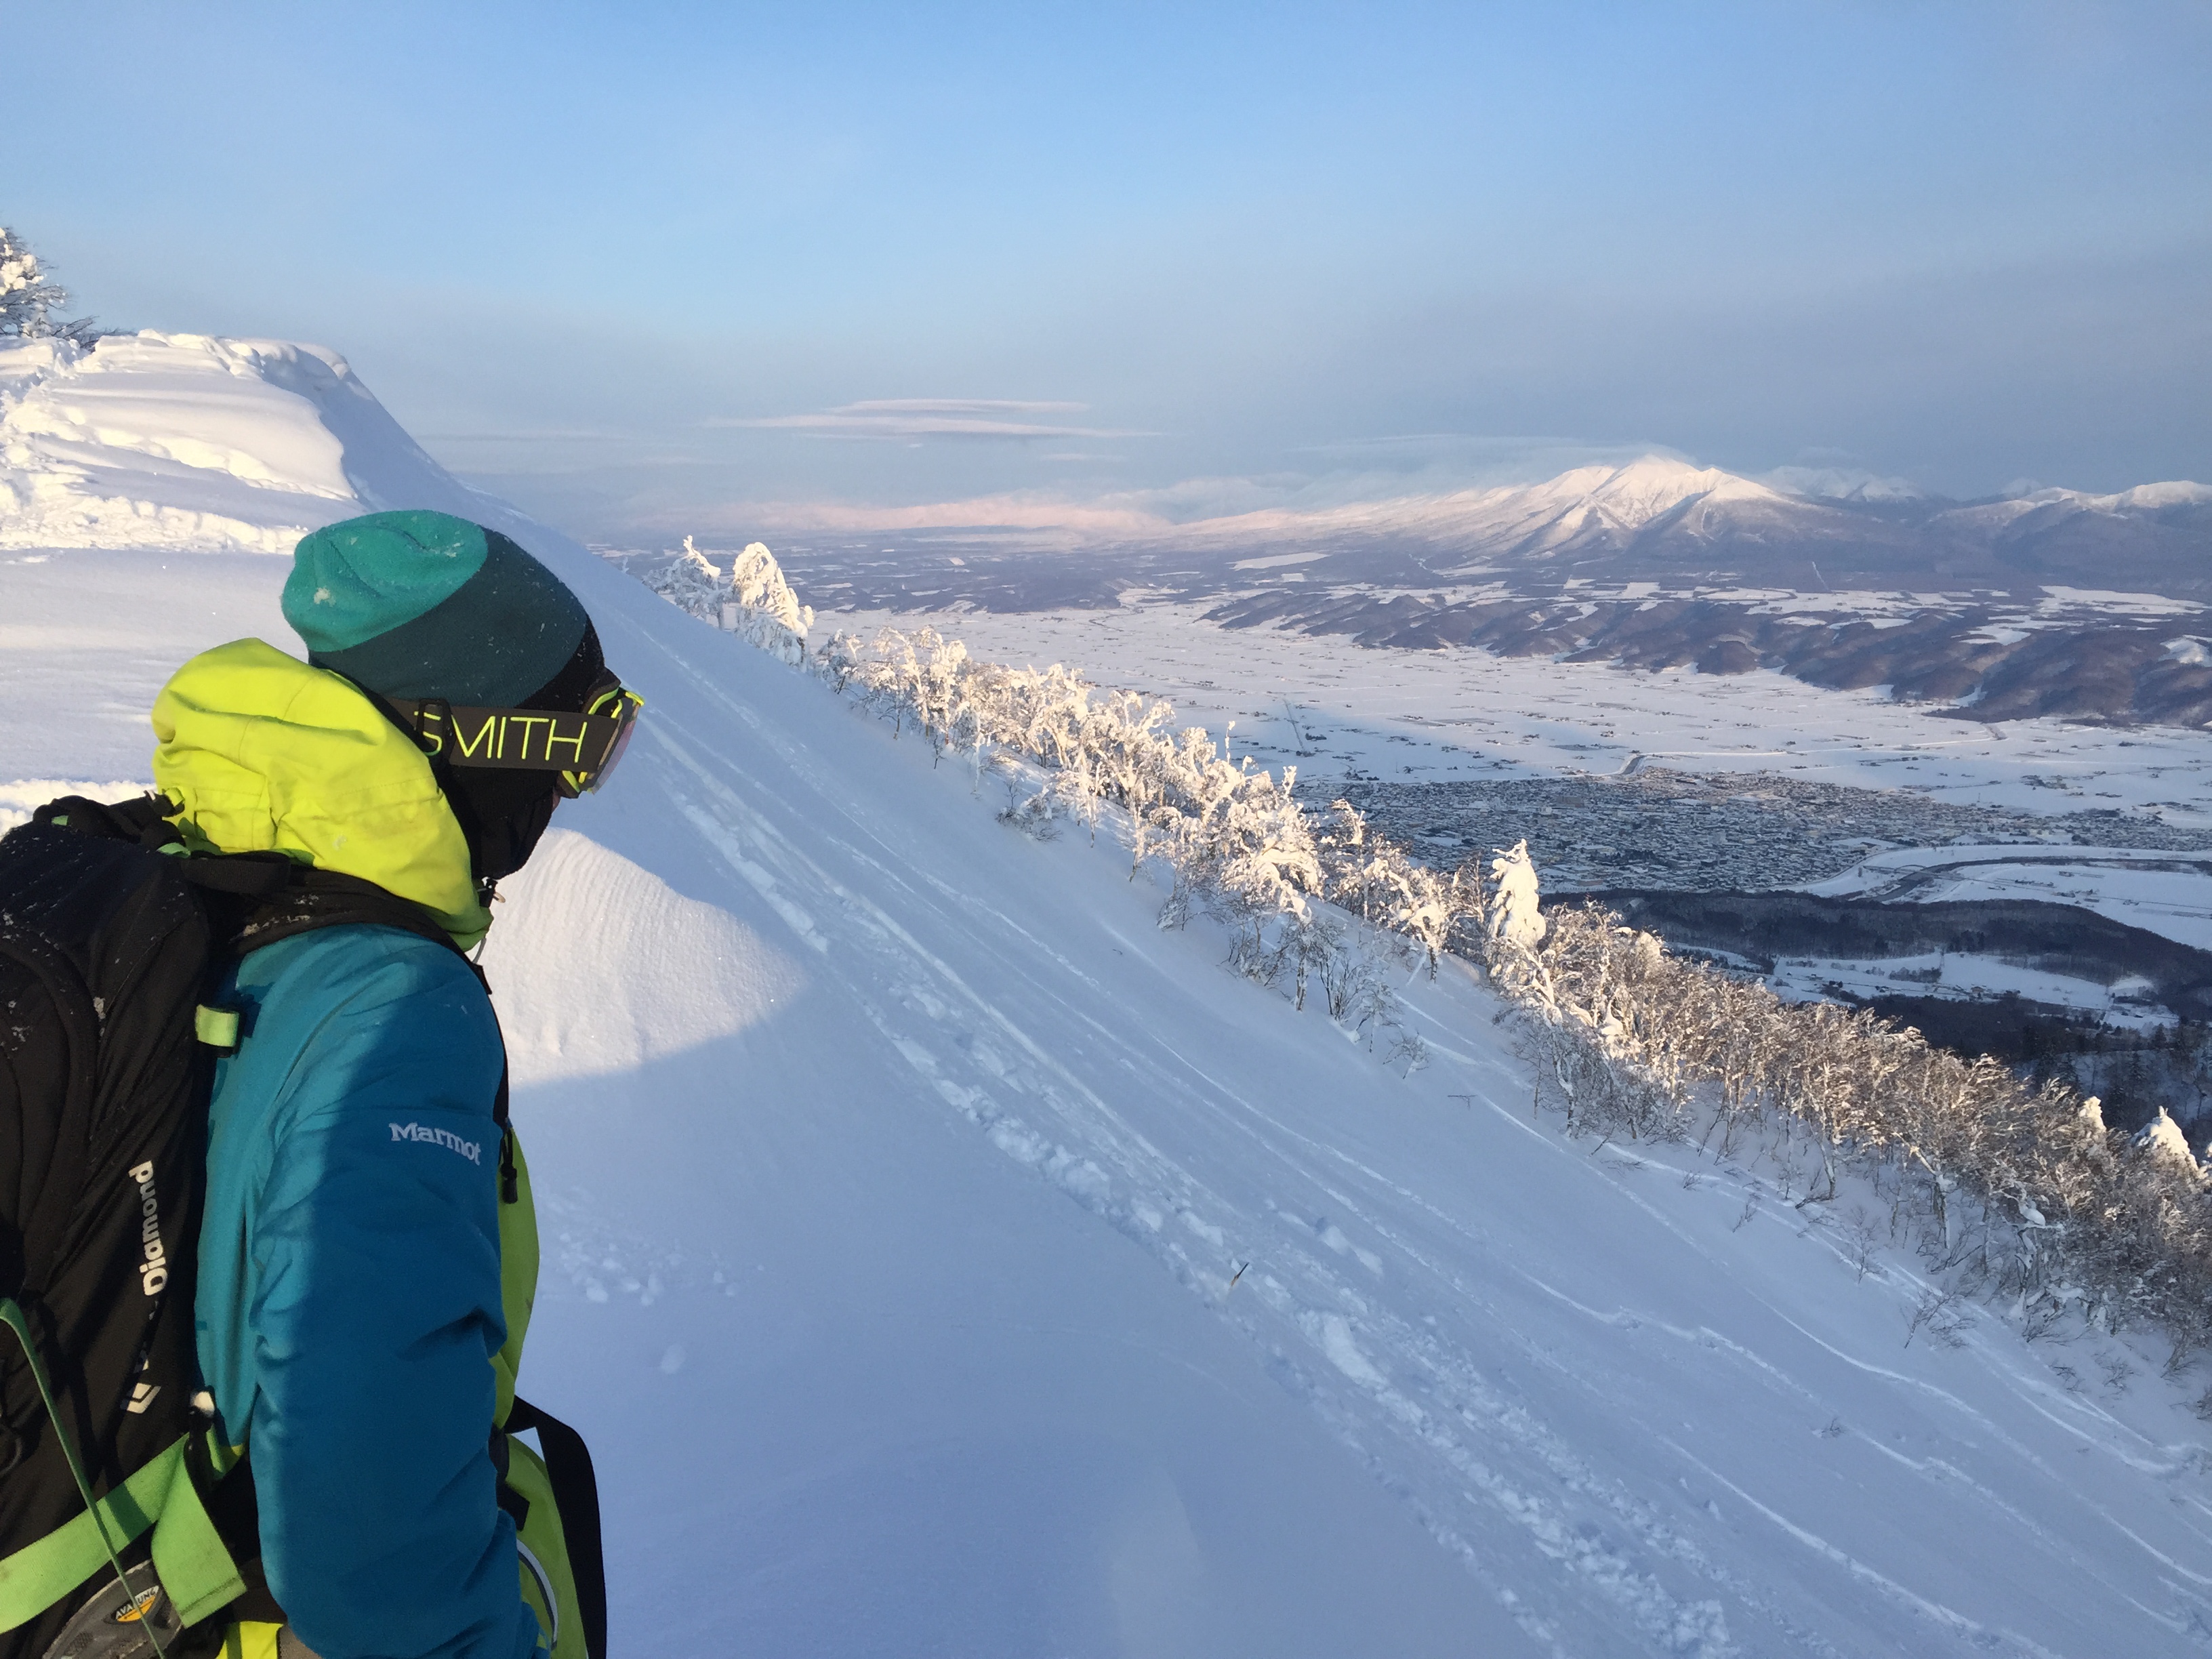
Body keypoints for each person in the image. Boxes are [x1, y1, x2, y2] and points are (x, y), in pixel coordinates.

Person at [149, 510, 636, 1659]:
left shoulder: (200, 868)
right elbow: (369, 1523)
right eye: (573, 747)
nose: (571, 793)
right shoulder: (394, 1018)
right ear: (472, 742)